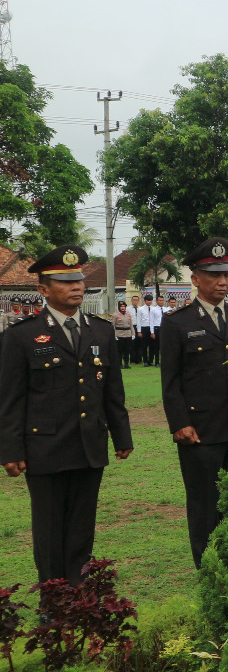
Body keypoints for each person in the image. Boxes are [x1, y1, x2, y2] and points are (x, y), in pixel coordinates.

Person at [0, 246, 132, 586]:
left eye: (78, 280)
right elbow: (11, 400)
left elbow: (112, 391)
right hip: (44, 448)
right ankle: (53, 595)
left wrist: (122, 436)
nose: (76, 287)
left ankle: (78, 593)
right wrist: (11, 451)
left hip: (89, 444)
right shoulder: (21, 335)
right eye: (64, 281)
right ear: (43, 290)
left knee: (82, 525)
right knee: (48, 528)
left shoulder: (101, 331)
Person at [160, 238, 228, 567]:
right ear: (195, 279)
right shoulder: (178, 323)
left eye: (226, 275)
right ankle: (209, 569)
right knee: (205, 504)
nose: (222, 282)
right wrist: (180, 423)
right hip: (200, 430)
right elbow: (171, 381)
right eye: (214, 275)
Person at [113, 300, 133, 367]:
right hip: (119, 334)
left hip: (128, 334)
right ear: (118, 307)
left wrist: (133, 334)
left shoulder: (128, 315)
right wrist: (114, 335)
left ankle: (126, 363)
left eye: (124, 306)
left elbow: (131, 325)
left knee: (127, 350)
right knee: (119, 350)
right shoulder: (115, 315)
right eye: (121, 306)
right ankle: (120, 364)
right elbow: (113, 325)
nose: (123, 308)